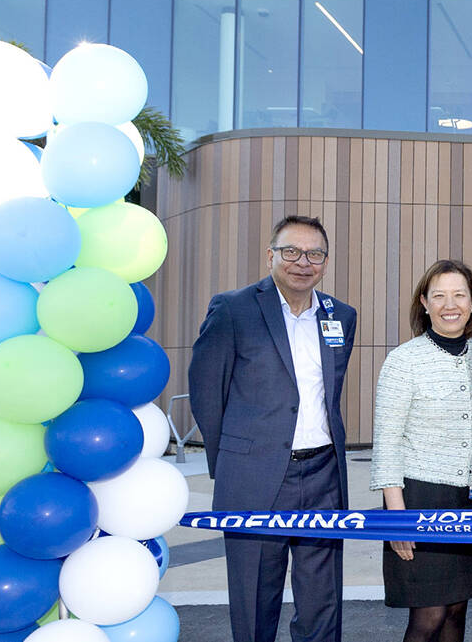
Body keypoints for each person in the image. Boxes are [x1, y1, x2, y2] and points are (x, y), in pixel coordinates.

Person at [188, 215, 357, 642]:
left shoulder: (341, 315)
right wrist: (231, 463)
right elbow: (207, 392)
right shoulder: (233, 309)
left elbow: (328, 393)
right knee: (255, 599)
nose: (303, 262)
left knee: (322, 600)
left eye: (314, 254)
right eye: (291, 251)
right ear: (270, 256)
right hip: (255, 476)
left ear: (326, 261)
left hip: (323, 474)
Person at [370, 259, 472, 642]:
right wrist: (397, 519)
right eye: (439, 296)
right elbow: (386, 442)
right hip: (419, 501)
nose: (449, 305)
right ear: (424, 303)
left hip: (470, 501)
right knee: (429, 617)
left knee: (456, 611)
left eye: (459, 295)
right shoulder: (403, 360)